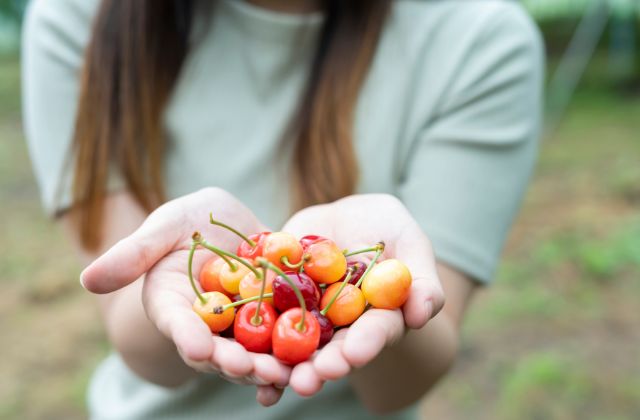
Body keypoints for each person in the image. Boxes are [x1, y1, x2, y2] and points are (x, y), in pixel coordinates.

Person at [22, 0, 543, 418]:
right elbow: (141, 350)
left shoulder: (482, 40)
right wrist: (167, 277)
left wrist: (389, 309)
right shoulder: (77, 18)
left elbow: (400, 387)